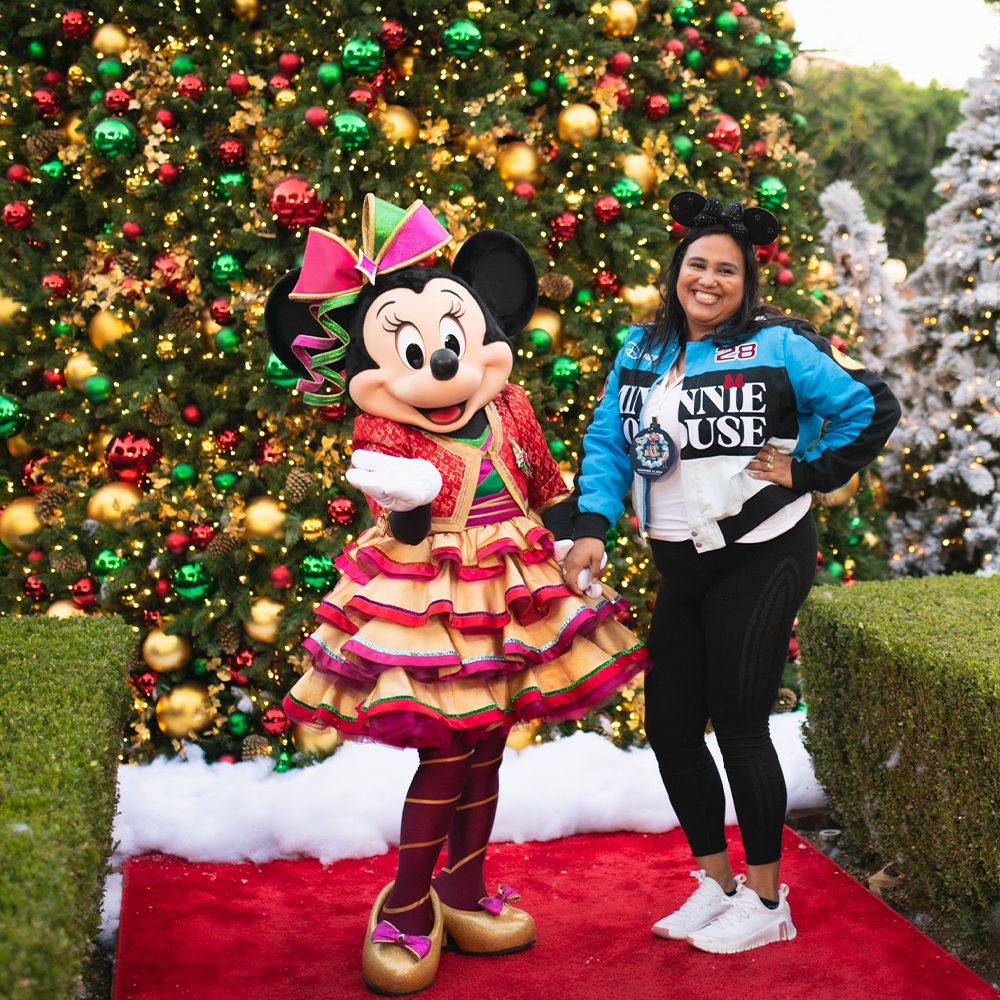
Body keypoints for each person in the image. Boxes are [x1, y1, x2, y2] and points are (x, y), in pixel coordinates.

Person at [265, 194, 648, 995]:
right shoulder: (384, 428)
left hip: (515, 587)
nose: (440, 363)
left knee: (487, 745)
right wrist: (405, 497)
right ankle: (406, 904)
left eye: (451, 338)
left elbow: (546, 483)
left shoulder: (509, 402)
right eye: (411, 348)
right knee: (447, 748)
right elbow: (402, 522)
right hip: (432, 595)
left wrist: (580, 536)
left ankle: (464, 886)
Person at [563, 190, 901, 955]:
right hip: (680, 557)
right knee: (671, 727)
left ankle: (768, 899)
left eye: (727, 269)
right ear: (675, 269)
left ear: (747, 282)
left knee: (740, 723)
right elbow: (609, 440)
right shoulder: (640, 349)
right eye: (697, 264)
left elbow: (870, 407)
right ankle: (717, 885)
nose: (709, 279)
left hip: (763, 551)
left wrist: (808, 468)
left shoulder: (779, 345)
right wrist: (591, 522)